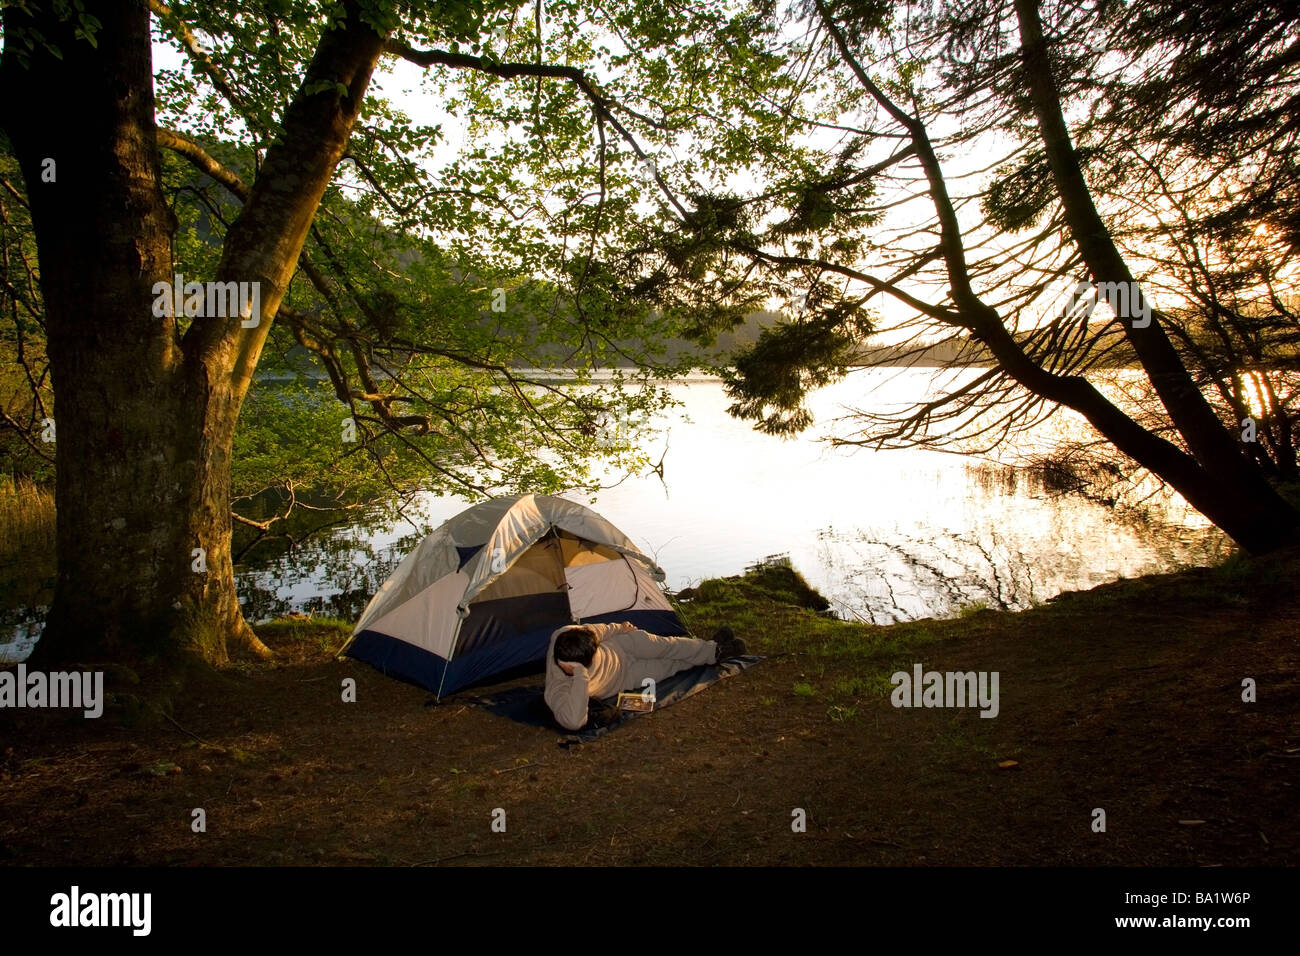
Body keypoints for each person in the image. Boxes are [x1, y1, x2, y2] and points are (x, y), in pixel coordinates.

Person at [544, 621, 747, 731]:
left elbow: (600, 631)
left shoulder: (565, 634)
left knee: (669, 646)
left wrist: (621, 627)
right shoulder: (559, 690)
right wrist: (580, 675)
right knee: (670, 666)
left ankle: (712, 651)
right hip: (626, 677)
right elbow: (573, 722)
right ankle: (708, 650)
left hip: (623, 646)